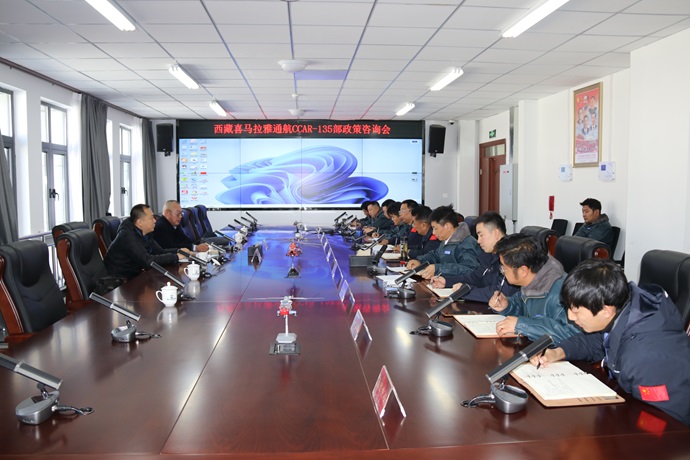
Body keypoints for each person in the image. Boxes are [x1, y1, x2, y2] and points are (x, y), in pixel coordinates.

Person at [531, 259, 690, 426]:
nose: (570, 317)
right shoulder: (625, 308)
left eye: (576, 311)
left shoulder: (644, 356)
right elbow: (596, 341)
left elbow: (663, 424)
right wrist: (557, 352)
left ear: (606, 310)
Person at [489, 233, 581, 343]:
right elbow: (526, 306)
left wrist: (521, 326)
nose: (502, 271)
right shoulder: (534, 279)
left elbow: (571, 336)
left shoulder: (563, 294)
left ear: (523, 271)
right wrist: (508, 306)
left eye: (504, 268)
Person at [431, 211, 519, 303]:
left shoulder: (511, 256)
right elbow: (475, 277)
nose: (478, 241)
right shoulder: (490, 255)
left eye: (481, 235)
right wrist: (446, 281)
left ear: (495, 233)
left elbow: (500, 294)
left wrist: (465, 291)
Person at [104, 204, 187, 280]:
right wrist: (176, 257)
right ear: (140, 222)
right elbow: (147, 261)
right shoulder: (128, 235)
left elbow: (159, 251)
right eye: (151, 218)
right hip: (121, 280)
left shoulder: (145, 232)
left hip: (136, 275)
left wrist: (180, 251)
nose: (155, 220)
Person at [406, 205, 480, 279]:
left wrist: (439, 268)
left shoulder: (466, 243)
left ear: (447, 226)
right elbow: (435, 255)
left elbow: (469, 269)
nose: (433, 232)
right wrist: (419, 261)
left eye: (435, 228)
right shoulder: (447, 240)